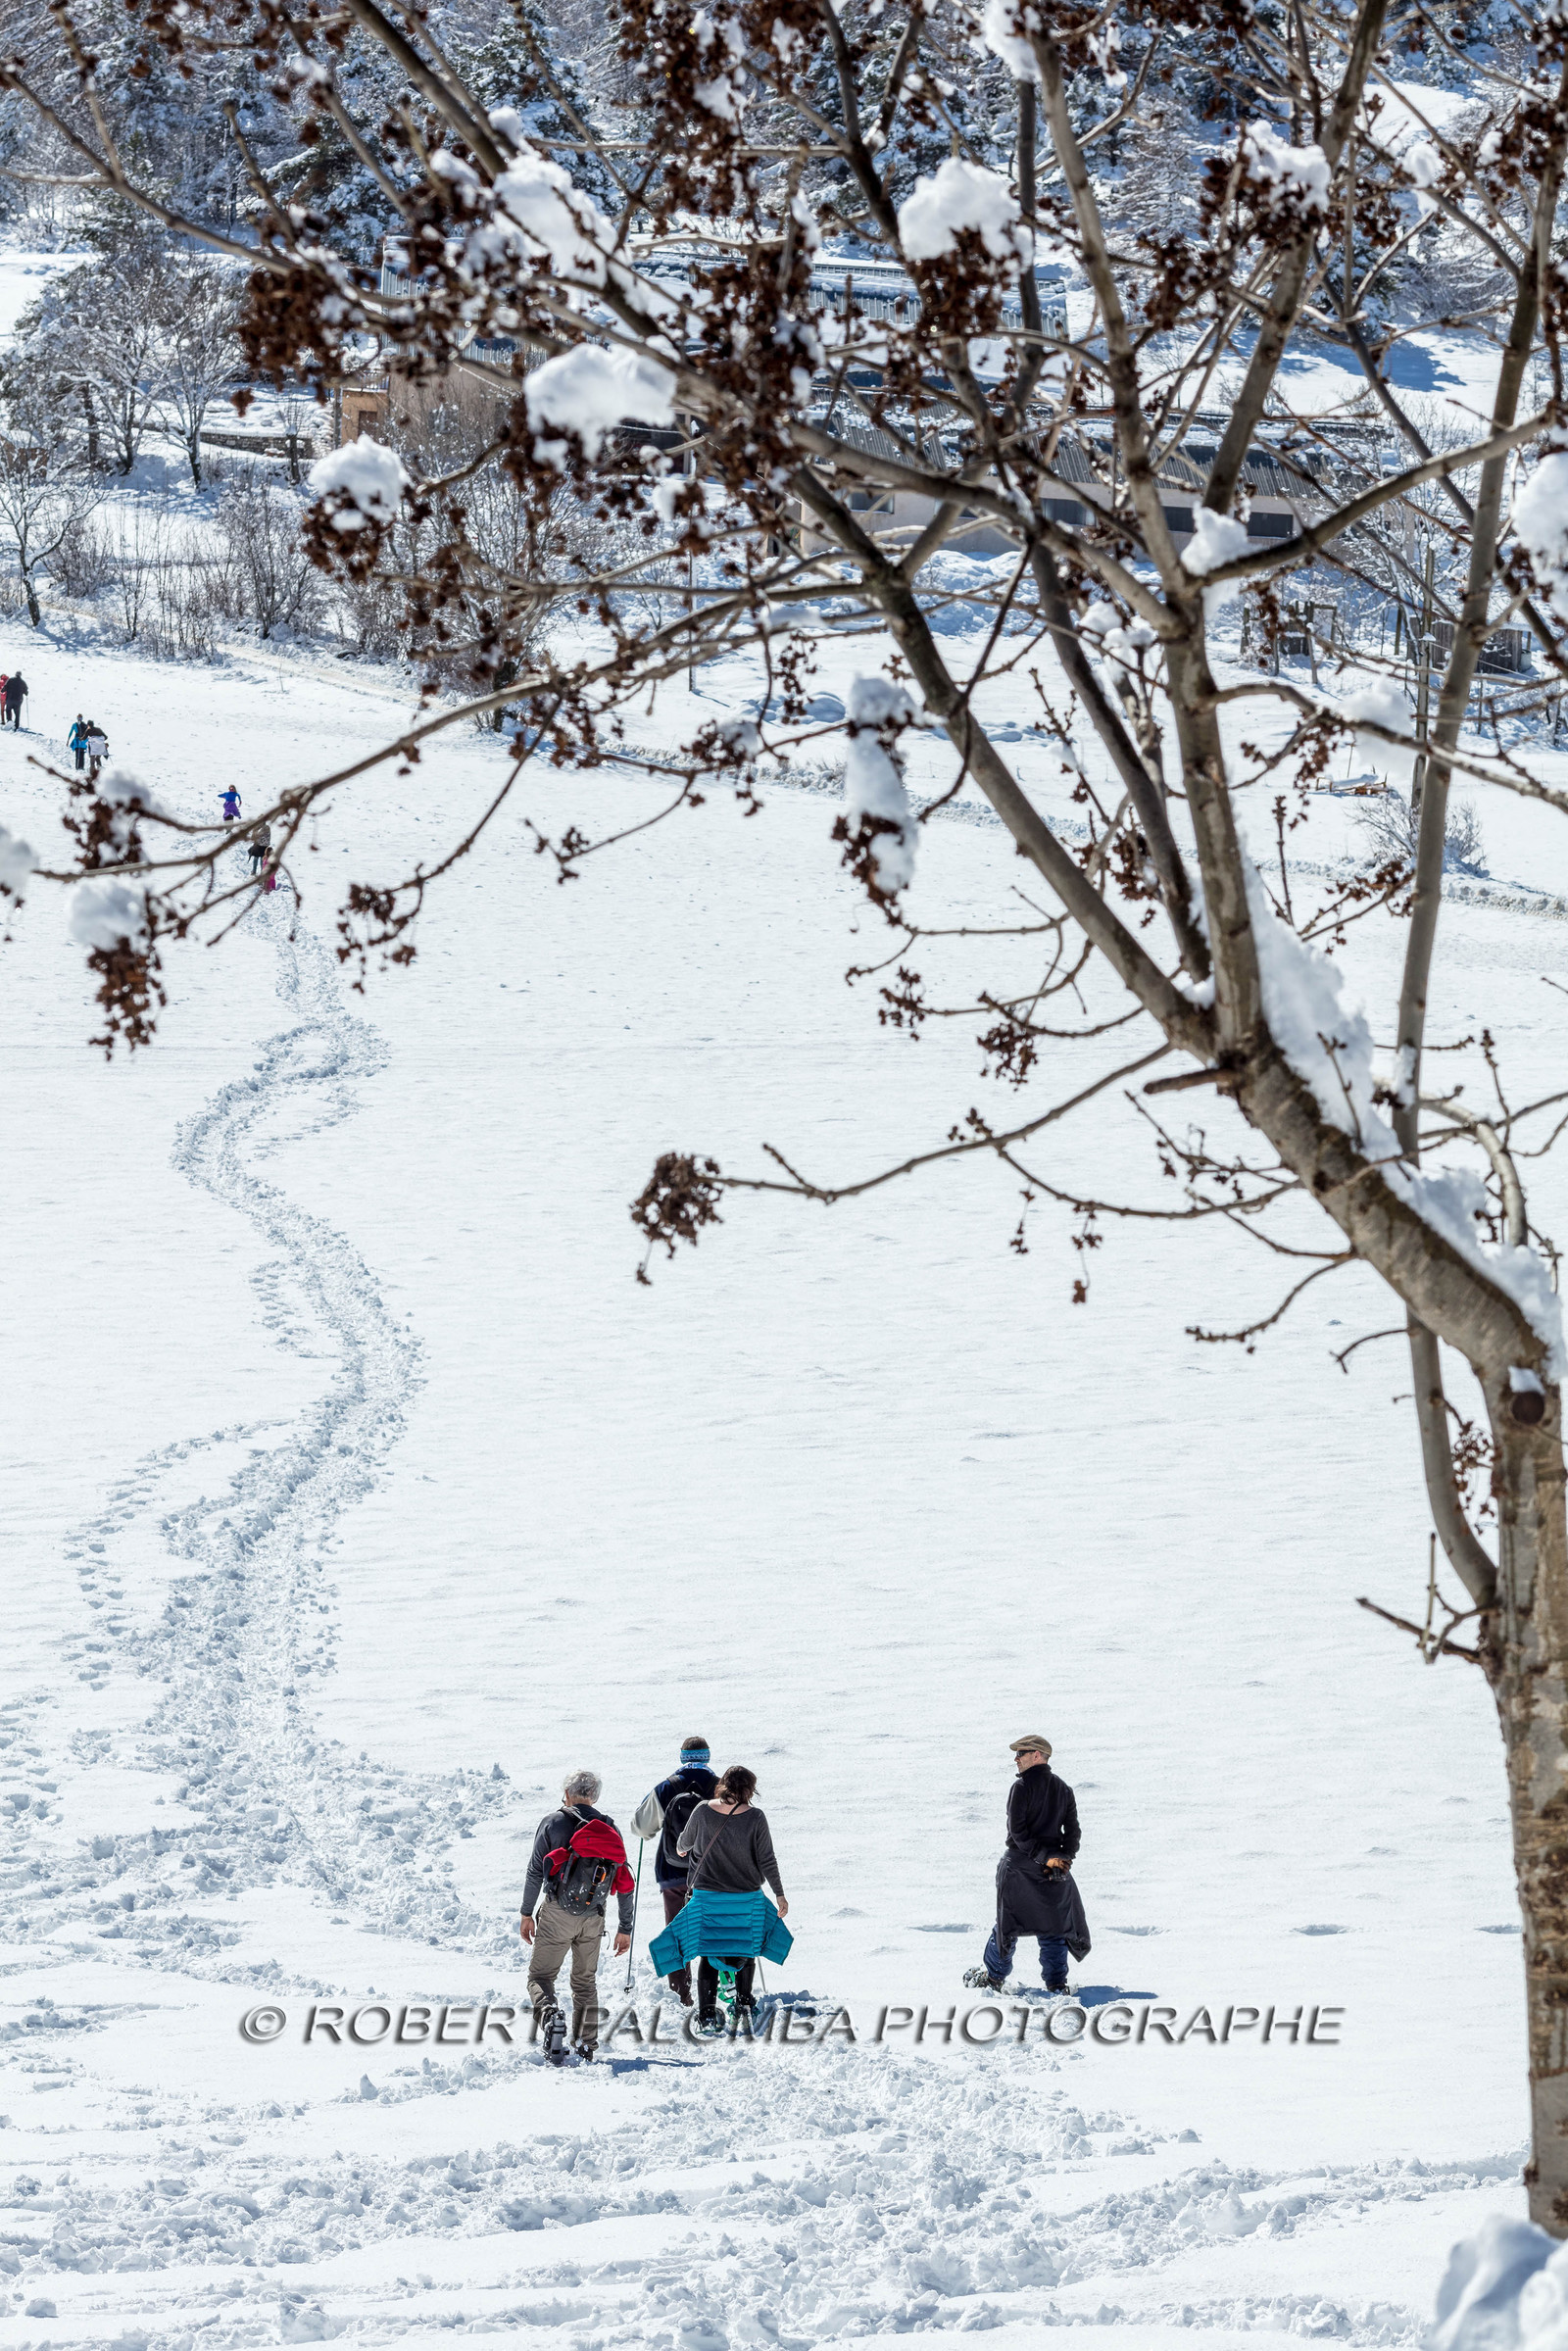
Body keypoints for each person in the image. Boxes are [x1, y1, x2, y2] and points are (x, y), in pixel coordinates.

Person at [650, 1764, 790, 2035]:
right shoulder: (756, 1817)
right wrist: (779, 1894)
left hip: (708, 1898)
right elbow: (767, 1859)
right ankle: (744, 2007)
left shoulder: (702, 1810)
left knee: (708, 1953)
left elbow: (683, 1845)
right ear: (750, 1790)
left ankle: (706, 2017)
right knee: (746, 1949)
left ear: (723, 1785)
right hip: (746, 1898)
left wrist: (684, 1848)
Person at [519, 1769, 633, 2063]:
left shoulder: (553, 1822)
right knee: (584, 1982)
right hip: (594, 1917)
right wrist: (625, 1927)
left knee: (540, 1977)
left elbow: (535, 1872)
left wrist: (526, 1913)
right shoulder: (610, 1827)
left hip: (557, 1913)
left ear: (568, 1793)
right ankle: (586, 2044)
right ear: (594, 1796)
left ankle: (550, 2019)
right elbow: (624, 1882)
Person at [964, 1736, 1090, 1998]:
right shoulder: (1064, 1789)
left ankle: (994, 1978)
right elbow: (1073, 1833)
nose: (1016, 1758)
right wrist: (1060, 1859)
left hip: (1019, 1866)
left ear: (1037, 1755)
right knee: (1053, 1927)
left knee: (1007, 1926)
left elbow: (1018, 1832)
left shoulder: (1021, 1787)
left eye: (1021, 1753)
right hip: (1053, 1869)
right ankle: (1056, 1985)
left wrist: (1048, 1858)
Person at [631, 1738, 719, 2008]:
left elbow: (641, 1828)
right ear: (707, 1757)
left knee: (677, 1930)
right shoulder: (721, 1787)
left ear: (682, 1757)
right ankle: (713, 1995)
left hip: (673, 1872)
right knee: (714, 1929)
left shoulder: (667, 1787)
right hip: (713, 1873)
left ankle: (681, 1995)